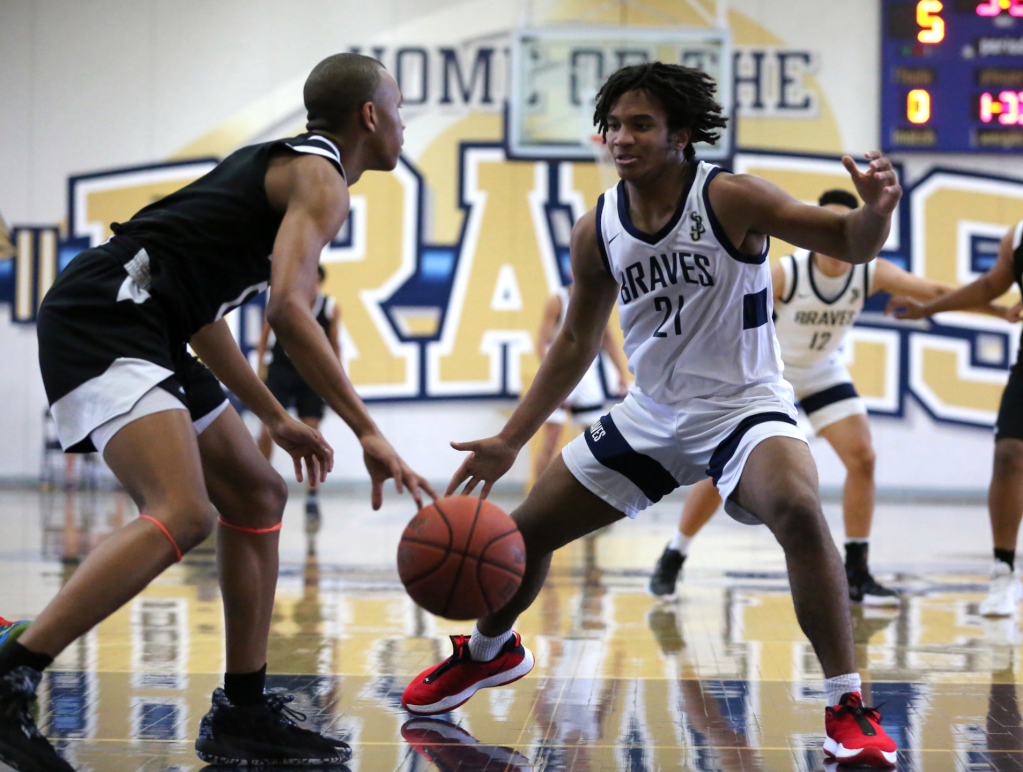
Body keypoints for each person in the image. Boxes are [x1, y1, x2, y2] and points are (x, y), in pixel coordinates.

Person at [400, 62, 900, 767]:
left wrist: (875, 213)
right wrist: (512, 439)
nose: (622, 138)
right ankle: (489, 652)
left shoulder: (730, 197)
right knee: (522, 534)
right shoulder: (597, 228)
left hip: (743, 405)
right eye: (613, 125)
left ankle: (847, 705)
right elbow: (575, 340)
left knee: (796, 506)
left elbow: (847, 241)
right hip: (651, 414)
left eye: (640, 124)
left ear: (680, 134)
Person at [0, 53, 433, 772]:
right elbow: (291, 312)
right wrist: (367, 430)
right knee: (183, 511)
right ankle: (15, 671)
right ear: (369, 115)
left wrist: (275, 416)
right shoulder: (323, 180)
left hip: (156, 323)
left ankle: (242, 710)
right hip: (108, 311)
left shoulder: (288, 169)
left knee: (258, 493)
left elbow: (203, 318)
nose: (403, 125)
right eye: (397, 110)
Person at [648, 189, 1018, 605]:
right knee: (726, 470)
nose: (837, 239)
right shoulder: (788, 273)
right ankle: (675, 553)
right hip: (771, 376)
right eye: (829, 229)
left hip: (822, 370)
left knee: (863, 457)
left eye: (845, 229)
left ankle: (857, 571)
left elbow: (933, 290)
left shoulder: (869, 271)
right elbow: (725, 314)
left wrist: (998, 312)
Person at [888, 221, 1023, 617]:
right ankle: (1003, 572)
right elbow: (988, 286)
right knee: (1009, 453)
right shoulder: (1016, 236)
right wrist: (928, 309)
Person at [256, 265, 341, 518]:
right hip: (281, 370)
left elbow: (334, 345)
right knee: (266, 430)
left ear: (321, 282)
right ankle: (259, 487)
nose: (310, 284)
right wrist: (260, 369)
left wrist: (336, 381)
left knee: (312, 433)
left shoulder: (330, 307)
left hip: (312, 374)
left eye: (315, 280)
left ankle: (312, 495)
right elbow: (264, 338)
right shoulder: (282, 302)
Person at [533, 281, 630, 479]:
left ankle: (593, 488)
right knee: (552, 438)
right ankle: (537, 490)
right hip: (560, 373)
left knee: (598, 436)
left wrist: (621, 373)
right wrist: (553, 379)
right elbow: (541, 345)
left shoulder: (599, 300)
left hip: (587, 376)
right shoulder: (558, 301)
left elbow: (608, 338)